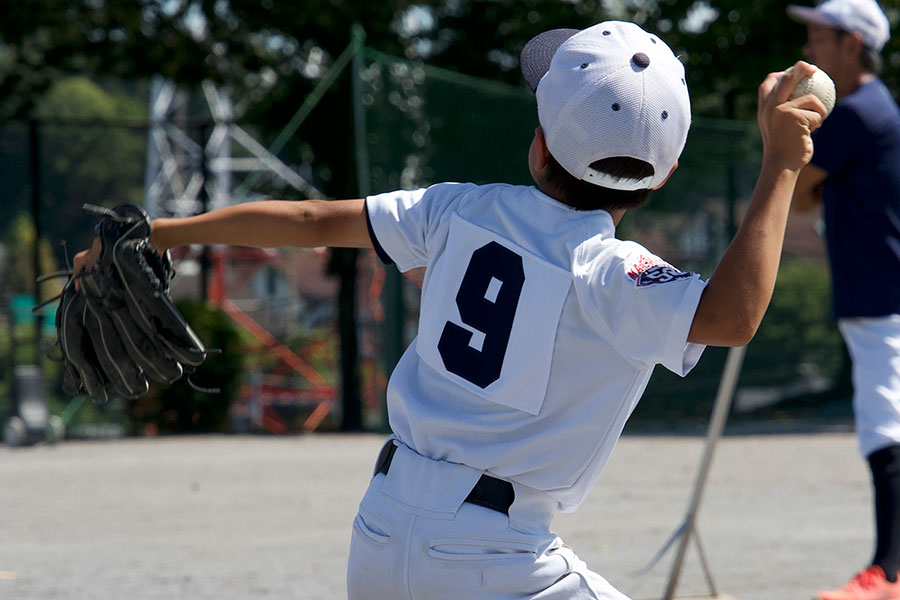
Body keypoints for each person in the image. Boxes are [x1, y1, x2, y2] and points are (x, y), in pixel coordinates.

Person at [74, 21, 825, 600]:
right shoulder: (611, 270)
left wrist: (158, 234)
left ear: (538, 145)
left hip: (380, 530)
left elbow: (307, 222)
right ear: (658, 180)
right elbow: (732, 317)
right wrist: (782, 164)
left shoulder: (456, 210)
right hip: (497, 561)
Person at [786, 1, 900, 598]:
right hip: (880, 292)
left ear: (851, 44)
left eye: (817, 36)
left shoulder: (856, 114)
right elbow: (806, 200)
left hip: (881, 296)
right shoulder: (875, 109)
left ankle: (889, 572)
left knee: (885, 426)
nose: (809, 50)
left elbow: (797, 189)